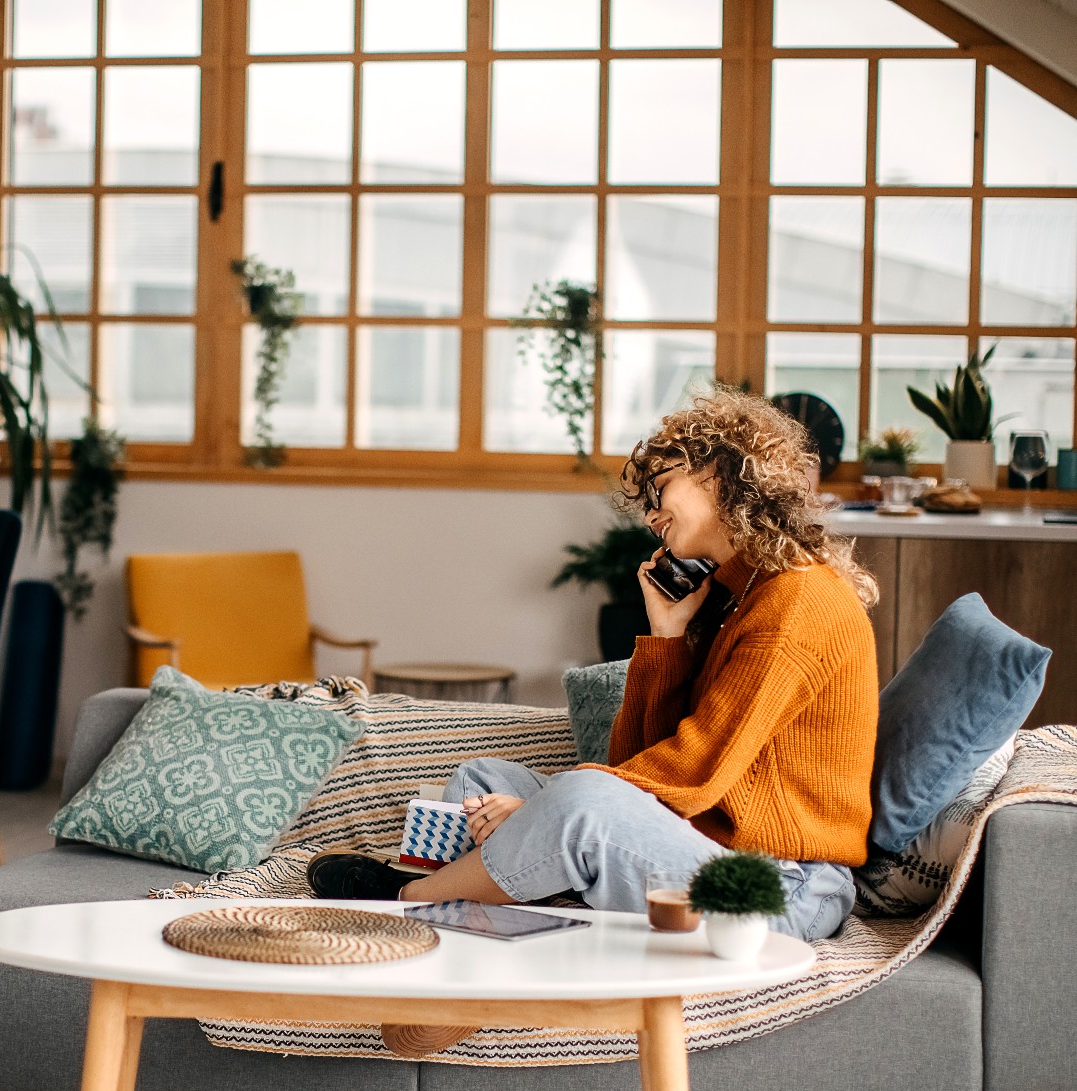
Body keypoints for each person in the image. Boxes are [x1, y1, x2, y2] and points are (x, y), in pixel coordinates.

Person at [309, 388, 879, 1052]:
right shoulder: (738, 595)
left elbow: (690, 770)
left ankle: (406, 906)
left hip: (779, 885)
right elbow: (640, 756)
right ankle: (508, 921)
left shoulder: (798, 602)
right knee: (480, 777)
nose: (652, 512)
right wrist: (666, 634)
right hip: (706, 841)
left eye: (663, 485)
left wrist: (539, 810)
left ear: (725, 477)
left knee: (579, 802)